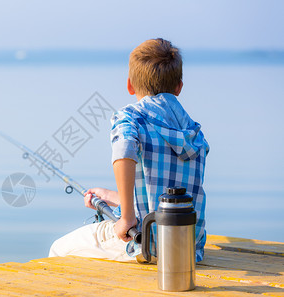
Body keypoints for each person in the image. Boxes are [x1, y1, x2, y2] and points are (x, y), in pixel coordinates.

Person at [49, 38, 209, 263]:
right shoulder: (194, 133)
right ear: (179, 87)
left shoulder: (131, 117)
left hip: (145, 244)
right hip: (186, 249)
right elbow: (165, 196)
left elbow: (123, 149)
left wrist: (126, 217)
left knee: (58, 249)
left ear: (130, 85)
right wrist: (111, 197)